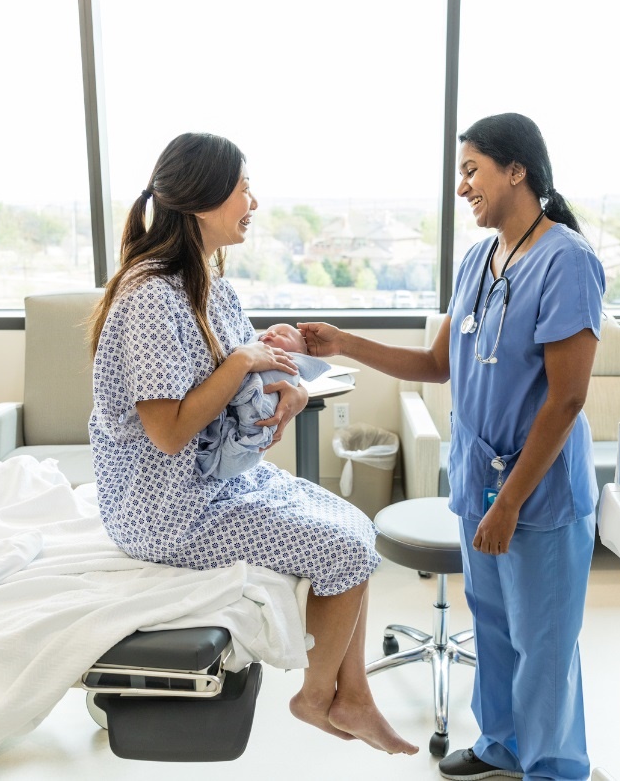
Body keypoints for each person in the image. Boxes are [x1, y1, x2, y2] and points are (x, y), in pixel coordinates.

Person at [86, 132, 417, 756]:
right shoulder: (151, 297)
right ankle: (317, 698)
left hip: (216, 482)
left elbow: (240, 369)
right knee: (344, 550)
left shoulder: (206, 283)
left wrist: (285, 382)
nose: (253, 202)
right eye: (243, 188)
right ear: (203, 198)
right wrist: (242, 362)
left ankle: (355, 696)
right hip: (167, 510)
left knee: (355, 527)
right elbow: (169, 429)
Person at [300, 113, 605, 781]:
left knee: (544, 644)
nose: (462, 186)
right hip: (477, 481)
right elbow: (439, 364)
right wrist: (344, 343)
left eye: (471, 170)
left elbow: (567, 400)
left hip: (539, 491)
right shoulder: (477, 259)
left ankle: (554, 767)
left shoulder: (568, 260)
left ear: (516, 169)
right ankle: (503, 745)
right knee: (493, 629)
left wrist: (509, 506)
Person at [195, 323, 330, 479]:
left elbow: (288, 383)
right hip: (218, 415)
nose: (270, 334)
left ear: (298, 353)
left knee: (251, 430)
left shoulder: (291, 368)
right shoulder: (253, 349)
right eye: (268, 331)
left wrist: (301, 394)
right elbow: (243, 361)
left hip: (253, 424)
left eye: (282, 335)